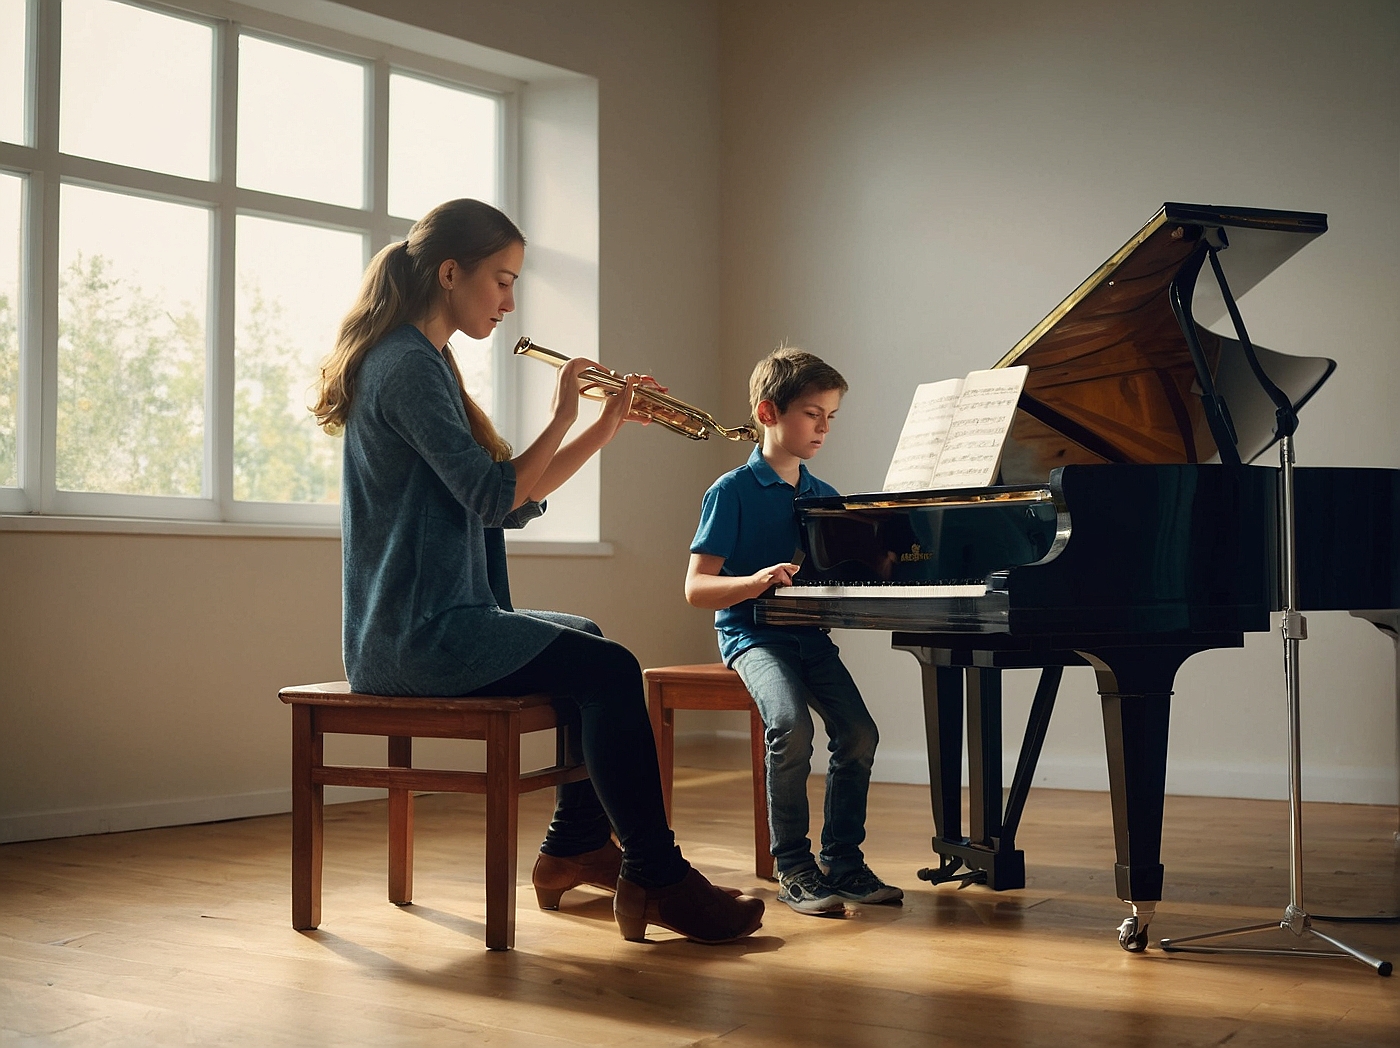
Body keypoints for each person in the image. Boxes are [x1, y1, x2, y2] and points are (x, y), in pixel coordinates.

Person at [312, 198, 763, 945]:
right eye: (501, 280)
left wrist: (602, 426)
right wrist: (560, 416)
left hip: (440, 619)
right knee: (609, 668)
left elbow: (508, 502)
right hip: (415, 634)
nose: (509, 302)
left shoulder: (425, 360)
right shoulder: (406, 365)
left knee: (587, 638)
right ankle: (657, 874)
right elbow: (494, 495)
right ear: (449, 273)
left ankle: (575, 845)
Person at [685, 347, 903, 916]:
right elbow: (696, 588)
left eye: (831, 416)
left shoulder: (825, 497)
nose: (824, 428)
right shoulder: (730, 491)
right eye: (812, 414)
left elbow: (836, 581)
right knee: (790, 726)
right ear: (768, 412)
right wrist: (755, 581)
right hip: (752, 637)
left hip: (810, 639)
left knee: (859, 734)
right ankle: (795, 869)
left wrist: (881, 568)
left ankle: (845, 864)